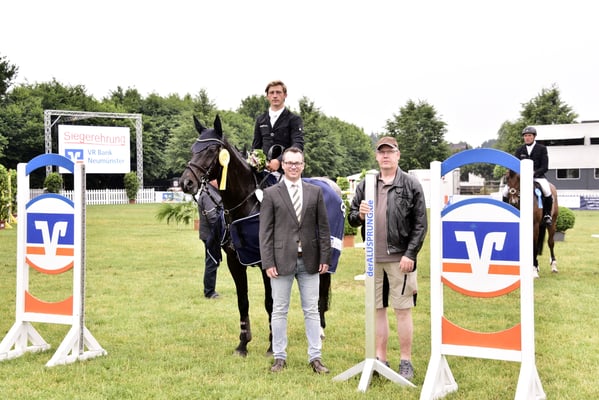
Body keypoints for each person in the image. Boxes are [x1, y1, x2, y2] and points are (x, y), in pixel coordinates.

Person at [348, 136, 428, 381]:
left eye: (389, 152)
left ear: (397, 155)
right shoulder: (367, 184)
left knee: (402, 310)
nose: (385, 156)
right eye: (381, 152)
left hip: (400, 259)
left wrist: (410, 253)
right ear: (376, 156)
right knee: (377, 310)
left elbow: (420, 224)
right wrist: (360, 215)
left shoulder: (411, 184)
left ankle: (406, 361)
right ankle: (380, 360)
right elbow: (351, 217)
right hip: (373, 259)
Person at [259, 147, 331, 374]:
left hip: (310, 260)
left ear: (303, 165)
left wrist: (325, 256)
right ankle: (279, 357)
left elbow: (323, 228)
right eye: (289, 162)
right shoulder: (271, 193)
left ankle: (315, 357)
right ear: (282, 165)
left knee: (312, 310)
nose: (293, 166)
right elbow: (265, 232)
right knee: (279, 310)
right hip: (280, 261)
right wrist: (268, 262)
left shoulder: (315, 192)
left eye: (297, 163)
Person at [252, 80, 304, 173]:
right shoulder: (260, 119)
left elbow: (297, 145)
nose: (275, 96)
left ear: (285, 95)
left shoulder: (294, 119)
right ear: (267, 96)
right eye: (271, 93)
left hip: (288, 171)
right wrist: (258, 162)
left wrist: (279, 160)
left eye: (278, 92)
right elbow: (256, 147)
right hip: (263, 171)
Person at [510, 126, 554, 225]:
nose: (527, 138)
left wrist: (534, 173)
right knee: (505, 191)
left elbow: (545, 167)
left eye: (529, 135)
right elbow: (515, 165)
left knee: (547, 191)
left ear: (534, 137)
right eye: (525, 136)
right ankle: (507, 213)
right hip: (521, 178)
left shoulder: (542, 148)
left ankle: (547, 215)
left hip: (538, 177)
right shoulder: (519, 150)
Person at [197, 179, 223, 299]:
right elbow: (212, 217)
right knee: (212, 261)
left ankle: (210, 289)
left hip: (212, 234)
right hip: (210, 235)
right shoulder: (208, 194)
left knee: (213, 261)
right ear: (212, 181)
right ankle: (209, 291)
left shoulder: (212, 192)